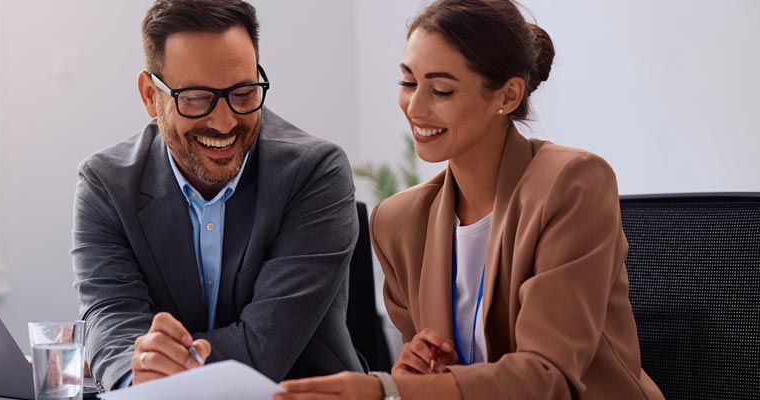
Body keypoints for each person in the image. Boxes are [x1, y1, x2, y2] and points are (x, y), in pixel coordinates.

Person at [277, 0, 665, 399]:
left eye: (441, 90)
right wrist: (417, 371)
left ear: (508, 96)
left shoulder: (572, 184)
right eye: (408, 83)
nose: (415, 107)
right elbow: (438, 378)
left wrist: (390, 390)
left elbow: (548, 377)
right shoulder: (398, 222)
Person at [71, 0, 362, 392]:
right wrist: (133, 373)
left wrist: (157, 376)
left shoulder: (314, 172)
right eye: (195, 97)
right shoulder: (106, 183)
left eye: (243, 93)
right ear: (150, 96)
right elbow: (111, 316)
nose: (224, 122)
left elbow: (265, 346)